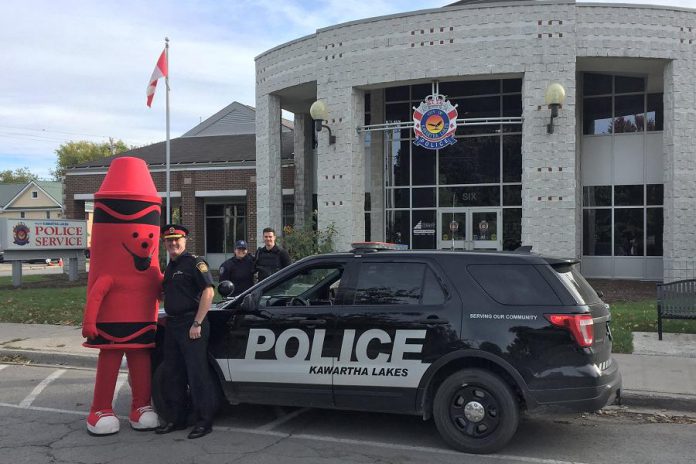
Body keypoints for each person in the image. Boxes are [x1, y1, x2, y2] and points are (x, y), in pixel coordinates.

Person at [155, 224, 217, 439]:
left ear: (185, 240)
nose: (173, 243)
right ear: (164, 243)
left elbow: (209, 292)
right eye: (169, 240)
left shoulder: (195, 263)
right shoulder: (170, 266)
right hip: (172, 326)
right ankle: (176, 419)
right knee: (173, 374)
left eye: (177, 239)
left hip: (192, 325)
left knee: (197, 374)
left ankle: (204, 422)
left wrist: (197, 323)